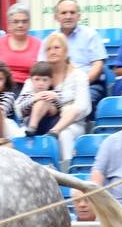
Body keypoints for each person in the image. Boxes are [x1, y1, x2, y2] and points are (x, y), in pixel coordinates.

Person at [15, 33, 92, 164]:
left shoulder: (79, 75)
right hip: (38, 121)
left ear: (66, 51)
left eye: (57, 48)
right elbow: (18, 108)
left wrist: (61, 104)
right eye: (49, 49)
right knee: (20, 134)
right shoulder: (39, 75)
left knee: (64, 134)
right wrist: (36, 98)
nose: (52, 51)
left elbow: (84, 108)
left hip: (70, 124)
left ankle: (67, 172)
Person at [55, 0, 108, 105]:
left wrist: (80, 85)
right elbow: (44, 67)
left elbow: (98, 66)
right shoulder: (50, 40)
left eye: (72, 12)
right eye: (64, 13)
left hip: (89, 84)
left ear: (79, 16)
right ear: (56, 17)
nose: (68, 16)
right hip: (59, 86)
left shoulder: (90, 35)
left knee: (81, 102)